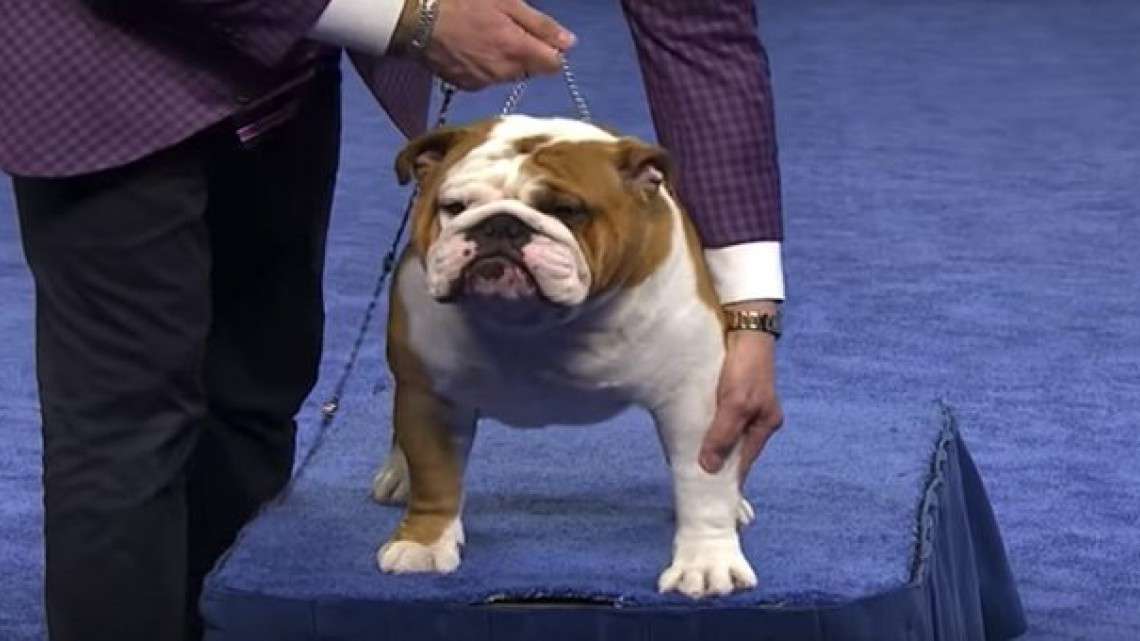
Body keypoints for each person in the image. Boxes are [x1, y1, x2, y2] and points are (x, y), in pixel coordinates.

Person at [0, 0, 783, 639]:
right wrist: (407, 18)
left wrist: (748, 310)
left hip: (285, 66)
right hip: (99, 63)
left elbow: (696, 26)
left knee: (256, 386)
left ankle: (223, 615)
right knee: (128, 429)